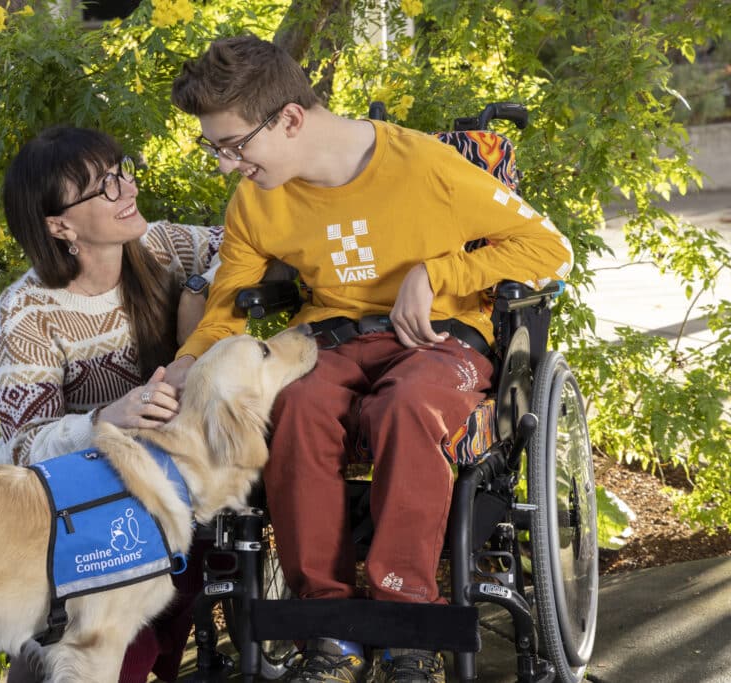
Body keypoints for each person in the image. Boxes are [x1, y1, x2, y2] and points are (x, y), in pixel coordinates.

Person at [165, 35, 574, 683]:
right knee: (294, 405)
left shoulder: (425, 166)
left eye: (233, 146)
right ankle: (327, 629)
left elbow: (548, 247)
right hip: (328, 342)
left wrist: (441, 273)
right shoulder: (256, 199)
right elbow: (224, 310)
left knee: (407, 404)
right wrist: (186, 367)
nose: (224, 165)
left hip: (439, 340)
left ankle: (408, 624)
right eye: (213, 146)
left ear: (291, 119)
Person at [0, 126, 222, 683]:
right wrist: (103, 420)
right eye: (104, 185)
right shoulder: (27, 312)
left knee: (175, 616)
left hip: (169, 495)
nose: (127, 187)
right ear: (60, 226)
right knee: (109, 656)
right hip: (79, 518)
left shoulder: (160, 248)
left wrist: (198, 292)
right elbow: (22, 444)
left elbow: (247, 243)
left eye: (121, 170)